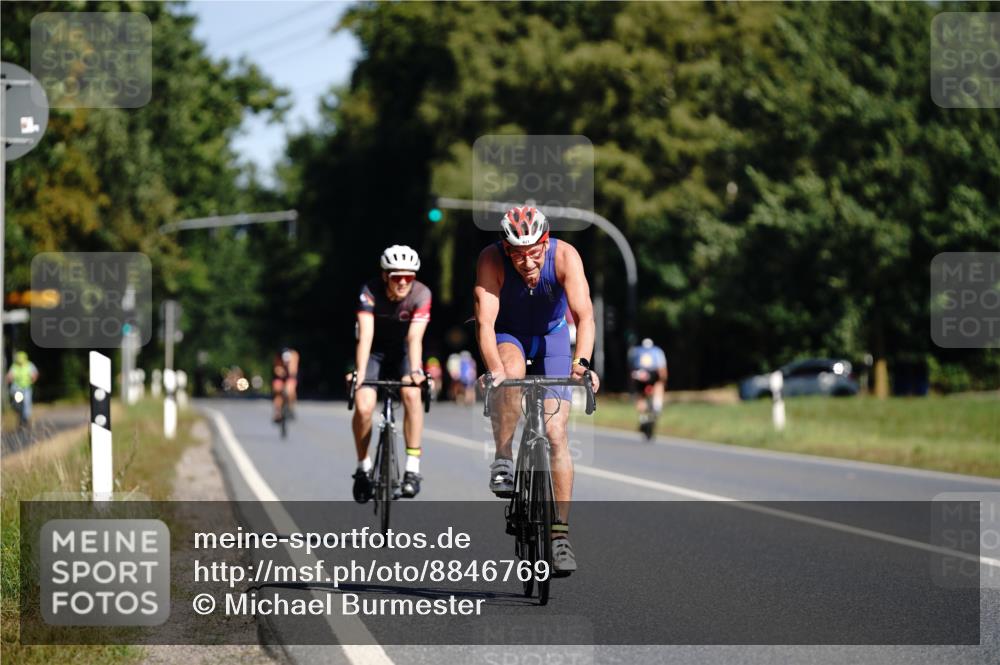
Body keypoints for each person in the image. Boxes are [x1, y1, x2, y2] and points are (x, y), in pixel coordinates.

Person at [474, 205, 601, 575]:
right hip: (509, 335)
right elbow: (485, 323)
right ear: (505, 249)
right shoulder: (490, 260)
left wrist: (582, 365)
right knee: (509, 371)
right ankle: (503, 457)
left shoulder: (564, 256)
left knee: (556, 432)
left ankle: (560, 535)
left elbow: (586, 315)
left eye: (534, 252)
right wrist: (494, 371)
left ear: (546, 243)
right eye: (517, 254)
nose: (527, 262)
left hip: (553, 337)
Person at [351, 245, 431, 502]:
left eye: (409, 277)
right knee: (364, 407)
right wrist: (361, 374)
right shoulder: (370, 291)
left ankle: (412, 470)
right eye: (397, 277)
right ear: (386, 276)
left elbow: (414, 338)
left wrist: (417, 371)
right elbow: (365, 336)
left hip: (404, 354)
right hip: (373, 352)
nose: (403, 282)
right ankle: (363, 468)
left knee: (411, 394)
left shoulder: (421, 294)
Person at [628, 338, 668, 426]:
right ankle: (657, 406)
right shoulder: (657, 351)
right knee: (659, 385)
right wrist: (663, 380)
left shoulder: (636, 350)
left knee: (640, 394)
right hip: (652, 373)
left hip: (638, 374)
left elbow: (631, 367)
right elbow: (662, 368)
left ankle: (642, 416)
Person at [6, 350, 39, 426]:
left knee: (27, 403)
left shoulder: (29, 365)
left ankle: (25, 419)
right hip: (17, 388)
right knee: (18, 403)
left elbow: (35, 374)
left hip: (26, 388)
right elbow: (10, 375)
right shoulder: (14, 366)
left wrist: (33, 379)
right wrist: (9, 378)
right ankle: (19, 414)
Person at [271, 347, 299, 421]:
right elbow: (276, 369)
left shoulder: (294, 356)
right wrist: (280, 372)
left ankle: (290, 408)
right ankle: (277, 412)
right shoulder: (278, 357)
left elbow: (293, 371)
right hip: (279, 377)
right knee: (277, 390)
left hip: (290, 376)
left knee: (291, 390)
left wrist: (289, 371)